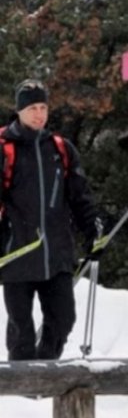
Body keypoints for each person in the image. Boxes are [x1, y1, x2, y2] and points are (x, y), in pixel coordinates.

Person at [1, 79, 98, 360]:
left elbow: (80, 198)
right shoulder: (5, 149)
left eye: (43, 107)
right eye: (32, 107)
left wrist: (93, 232)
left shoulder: (60, 149)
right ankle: (23, 390)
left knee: (63, 319)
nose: (39, 113)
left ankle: (47, 371)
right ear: (19, 110)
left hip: (56, 254)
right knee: (22, 328)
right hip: (17, 252)